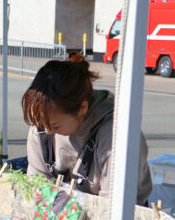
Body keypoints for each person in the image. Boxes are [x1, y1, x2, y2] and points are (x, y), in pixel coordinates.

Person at [22, 55, 152, 203]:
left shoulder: (117, 138)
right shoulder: (41, 130)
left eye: (55, 126)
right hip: (57, 219)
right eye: (42, 123)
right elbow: (37, 189)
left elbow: (111, 210)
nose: (48, 131)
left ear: (83, 108)